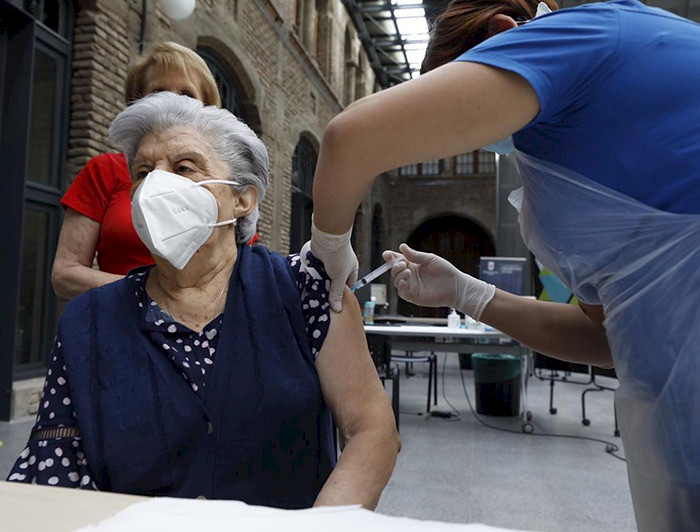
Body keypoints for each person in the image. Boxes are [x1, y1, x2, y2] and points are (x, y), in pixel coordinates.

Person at [306, 0, 700, 529]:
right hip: (676, 437)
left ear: (502, 33)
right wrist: (466, 293)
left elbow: (349, 139)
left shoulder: (575, 38)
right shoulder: (567, 151)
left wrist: (330, 246)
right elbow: (608, 338)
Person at [7, 92, 400, 510]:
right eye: (143, 172)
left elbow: (372, 431)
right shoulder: (88, 318)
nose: (155, 186)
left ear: (242, 198)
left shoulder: (304, 291)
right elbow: (52, 464)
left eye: (184, 167)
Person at [51, 42, 222, 299]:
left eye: (186, 94)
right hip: (117, 327)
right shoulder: (105, 170)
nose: (171, 103)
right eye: (158, 92)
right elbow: (65, 275)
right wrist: (149, 293)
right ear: (138, 103)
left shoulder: (224, 179)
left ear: (206, 107)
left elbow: (239, 271)